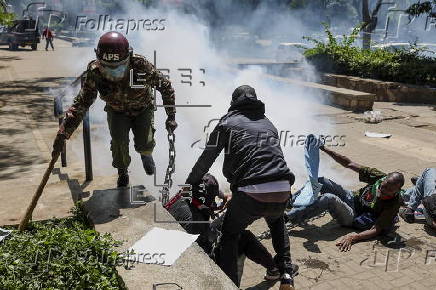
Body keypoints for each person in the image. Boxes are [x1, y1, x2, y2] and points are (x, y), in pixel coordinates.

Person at [185, 85, 296, 290]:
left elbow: (206, 159)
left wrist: (191, 182)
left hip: (251, 192)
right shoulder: (268, 123)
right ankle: (287, 274)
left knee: (230, 235)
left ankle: (229, 285)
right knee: (277, 223)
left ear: (233, 102)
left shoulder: (226, 122)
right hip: (282, 187)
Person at [51, 31, 177, 187]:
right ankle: (122, 171)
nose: (113, 72)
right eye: (108, 68)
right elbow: (82, 103)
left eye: (119, 67)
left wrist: (171, 116)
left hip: (142, 108)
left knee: (145, 142)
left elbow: (165, 87)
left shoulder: (141, 66)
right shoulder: (95, 72)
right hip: (116, 111)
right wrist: (64, 131)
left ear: (128, 57)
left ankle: (146, 155)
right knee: (118, 143)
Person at [165, 173, 299, 286]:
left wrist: (224, 196)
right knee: (241, 237)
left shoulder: (183, 195)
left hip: (186, 242)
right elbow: (211, 248)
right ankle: (274, 270)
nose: (214, 203)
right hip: (196, 257)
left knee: (230, 222)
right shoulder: (196, 224)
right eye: (211, 201)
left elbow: (207, 188)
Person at [286, 144, 405, 252]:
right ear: (384, 180)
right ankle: (291, 202)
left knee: (329, 199)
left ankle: (288, 218)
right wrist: (324, 148)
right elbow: (348, 163)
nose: (383, 191)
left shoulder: (394, 202)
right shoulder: (379, 177)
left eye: (389, 190)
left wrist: (353, 237)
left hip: (354, 216)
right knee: (320, 181)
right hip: (352, 198)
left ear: (397, 191)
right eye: (383, 187)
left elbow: (377, 229)